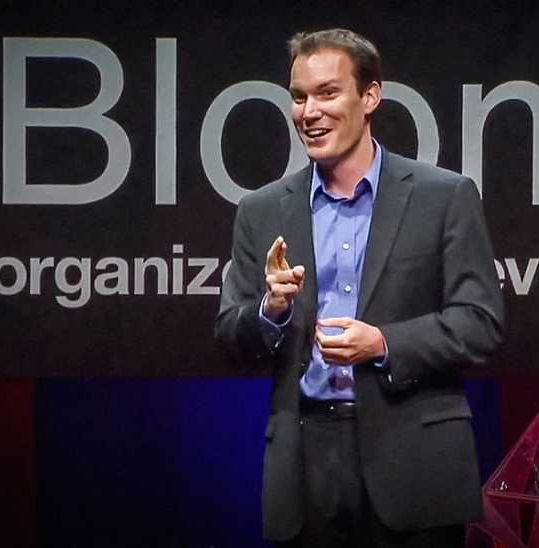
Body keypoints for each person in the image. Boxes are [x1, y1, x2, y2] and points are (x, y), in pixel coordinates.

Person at [216, 28, 504, 547]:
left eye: (328, 93)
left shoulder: (444, 196)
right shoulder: (260, 210)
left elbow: (480, 323)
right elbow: (230, 338)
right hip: (305, 464)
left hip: (414, 460)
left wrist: (384, 343)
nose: (309, 112)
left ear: (370, 96)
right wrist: (272, 309)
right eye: (299, 97)